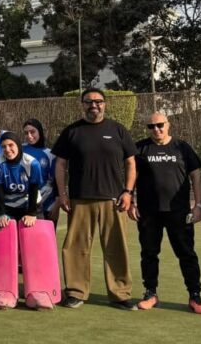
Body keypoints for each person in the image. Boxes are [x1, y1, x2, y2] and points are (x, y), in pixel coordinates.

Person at [52, 88, 139, 310]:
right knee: (76, 248)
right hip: (80, 199)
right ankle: (76, 291)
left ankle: (120, 293)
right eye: (89, 101)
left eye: (98, 101)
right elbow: (60, 164)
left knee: (116, 248)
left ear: (105, 104)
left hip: (114, 200)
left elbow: (131, 163)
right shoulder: (72, 131)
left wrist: (128, 192)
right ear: (82, 104)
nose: (94, 105)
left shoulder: (118, 130)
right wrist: (62, 194)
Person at [129, 113, 201, 314]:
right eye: (151, 126)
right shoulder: (140, 148)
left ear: (168, 125)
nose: (156, 129)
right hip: (148, 213)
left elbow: (196, 176)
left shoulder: (182, 147)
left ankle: (195, 295)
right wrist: (131, 202)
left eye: (159, 125)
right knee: (149, 253)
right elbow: (132, 175)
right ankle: (150, 293)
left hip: (179, 212)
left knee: (186, 254)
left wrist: (199, 205)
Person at [0, 131, 44, 230]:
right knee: (6, 235)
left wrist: (31, 213)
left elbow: (34, 189)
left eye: (11, 145)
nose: (7, 149)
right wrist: (1, 213)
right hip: (8, 206)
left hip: (30, 204)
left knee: (31, 235)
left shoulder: (32, 163)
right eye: (3, 146)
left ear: (18, 145)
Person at [22, 118, 58, 224]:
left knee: (46, 235)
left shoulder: (50, 154)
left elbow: (55, 182)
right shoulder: (19, 149)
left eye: (32, 132)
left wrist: (56, 206)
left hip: (46, 204)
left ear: (40, 132)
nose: (29, 136)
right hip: (24, 205)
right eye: (26, 133)